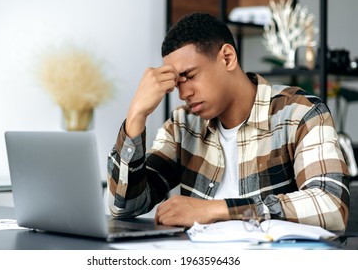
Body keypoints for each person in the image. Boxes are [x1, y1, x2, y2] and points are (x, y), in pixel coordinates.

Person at [107, 12, 350, 231]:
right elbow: (124, 208)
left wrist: (214, 210)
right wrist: (137, 116)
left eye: (189, 76)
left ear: (227, 58)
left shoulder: (299, 114)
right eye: (177, 84)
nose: (183, 94)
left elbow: (330, 205)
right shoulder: (183, 125)